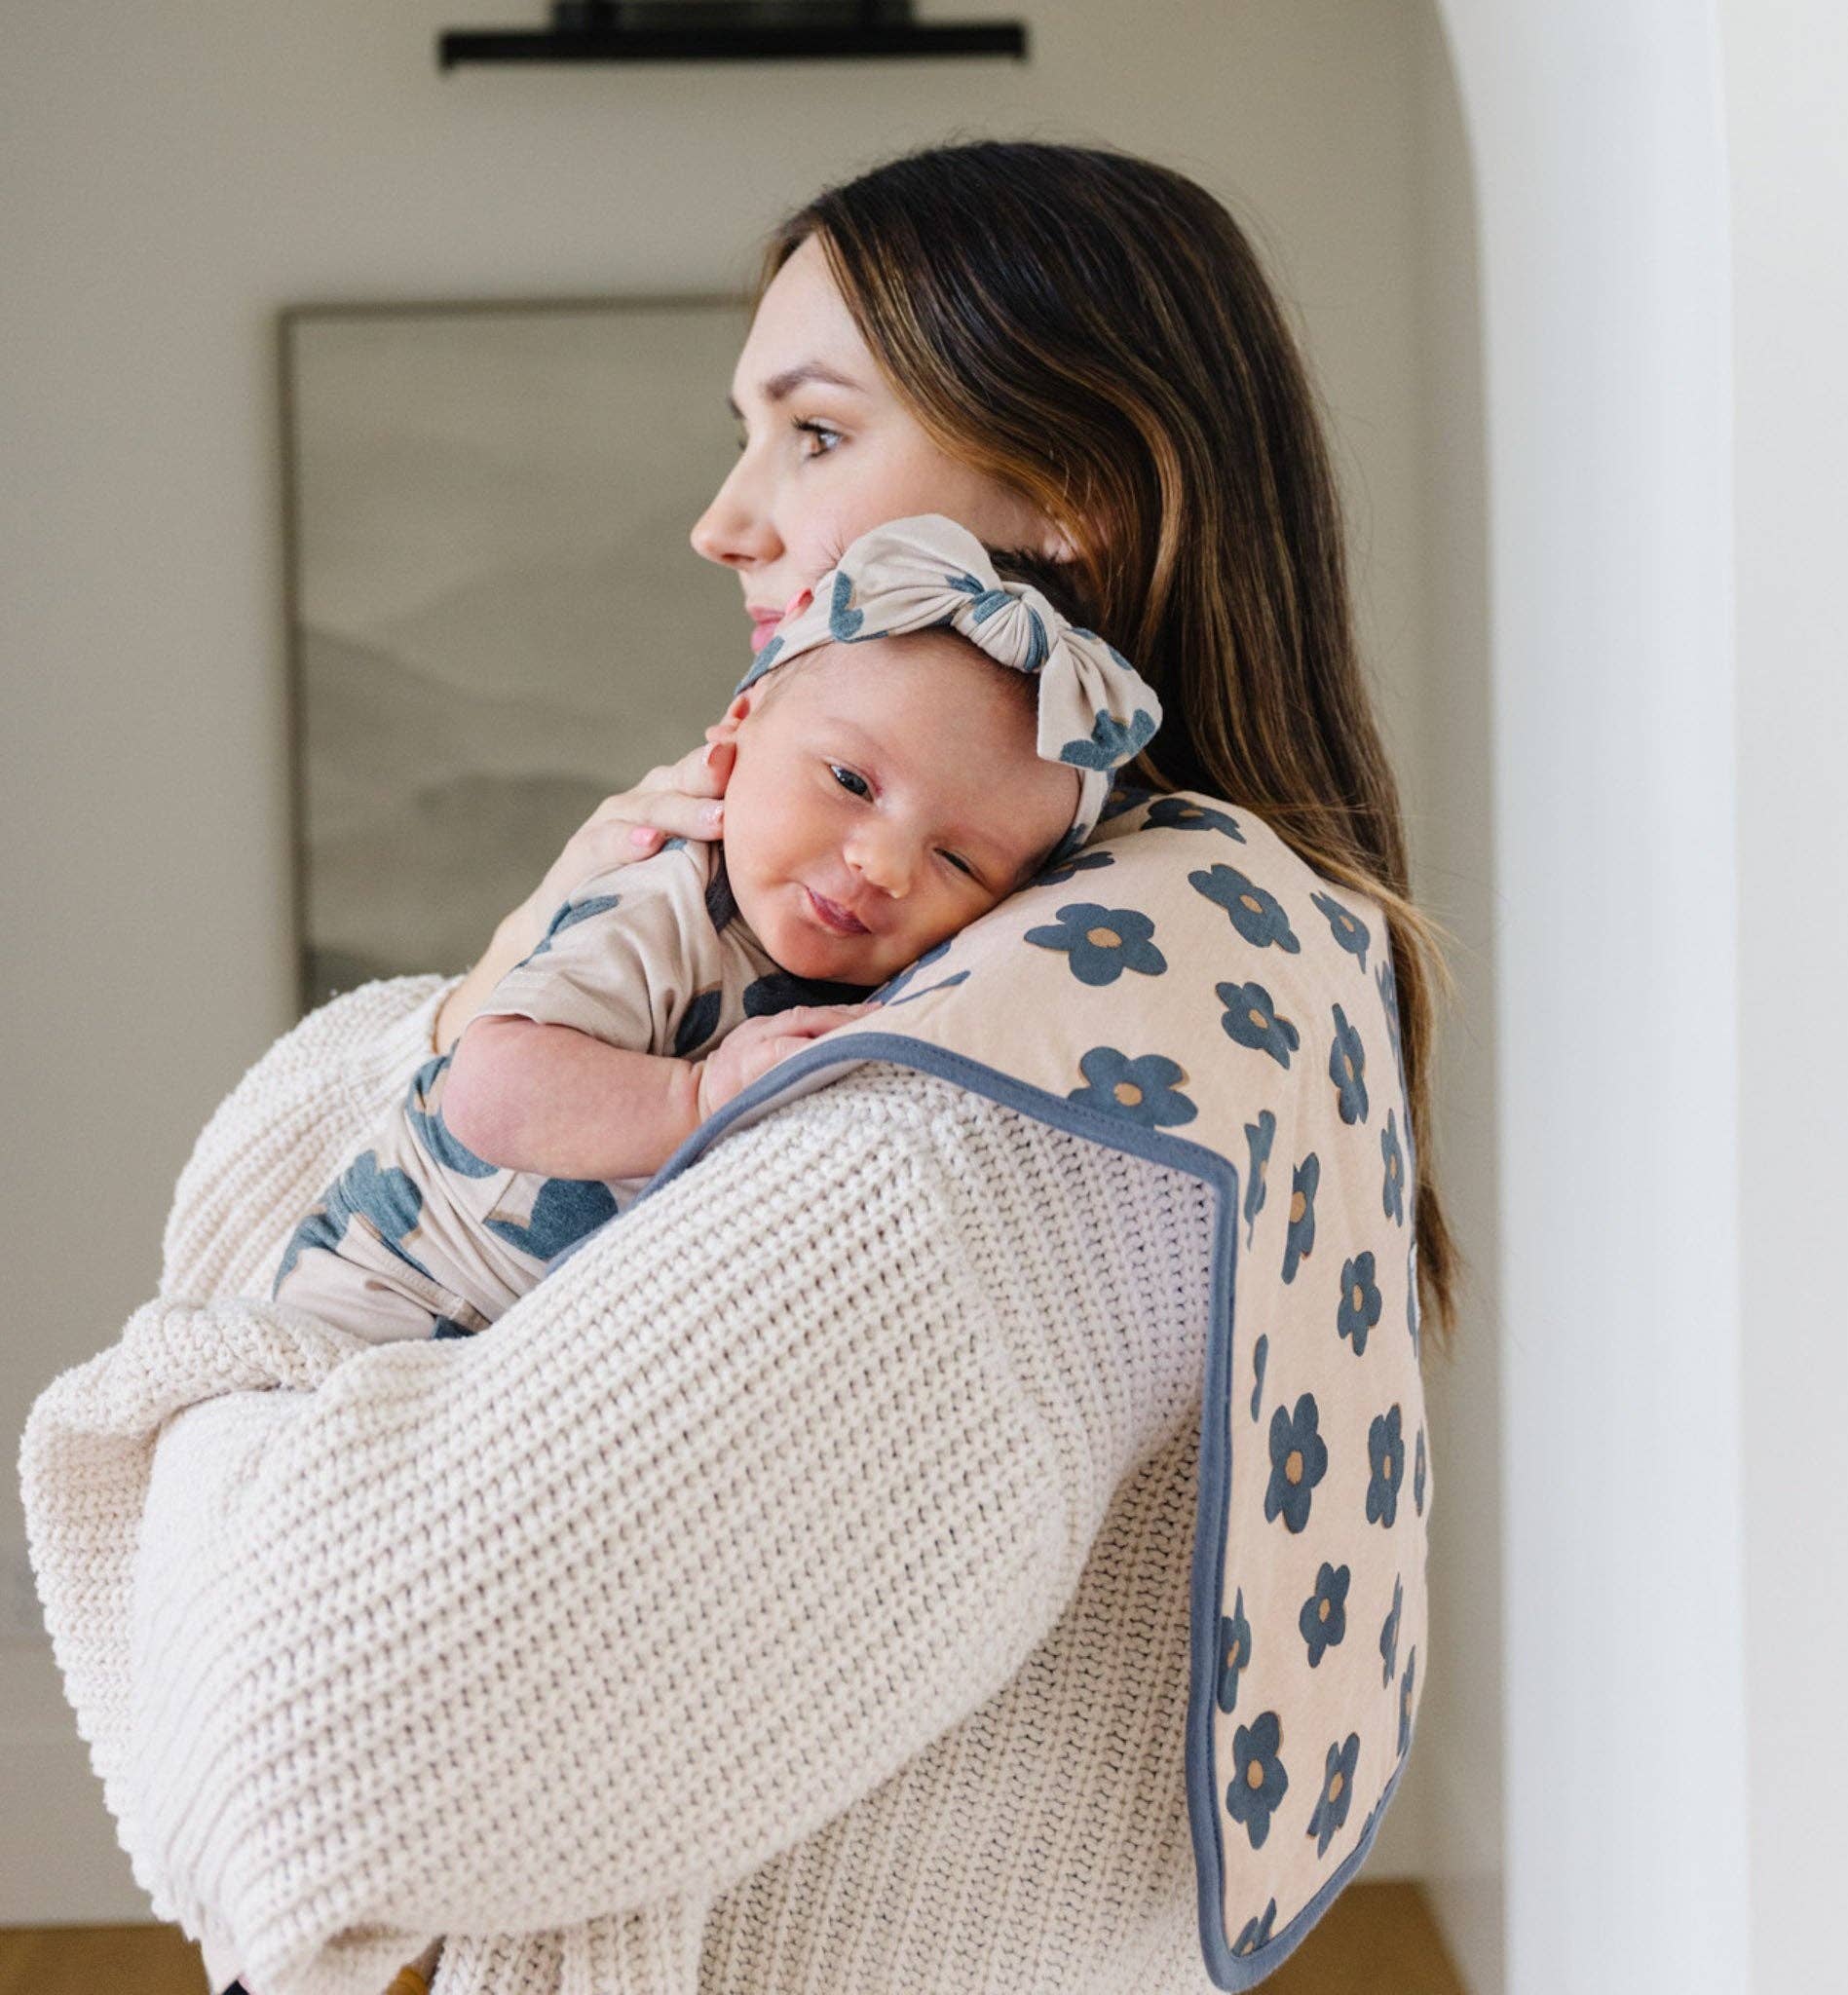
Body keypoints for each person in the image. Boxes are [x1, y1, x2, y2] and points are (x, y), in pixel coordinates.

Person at [69, 137, 1463, 1995]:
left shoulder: (989, 1103)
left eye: (812, 433)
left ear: (1074, 493)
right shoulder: (1196, 958)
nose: (725, 520)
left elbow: (309, 1735)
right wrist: (500, 998)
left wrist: (211, 1390)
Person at [263, 514, 1159, 1348]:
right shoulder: (667, 908)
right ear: (736, 735)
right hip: (387, 1298)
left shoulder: (895, 984)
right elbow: (489, 1088)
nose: (884, 865)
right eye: (850, 781)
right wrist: (696, 1099)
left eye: (958, 861)